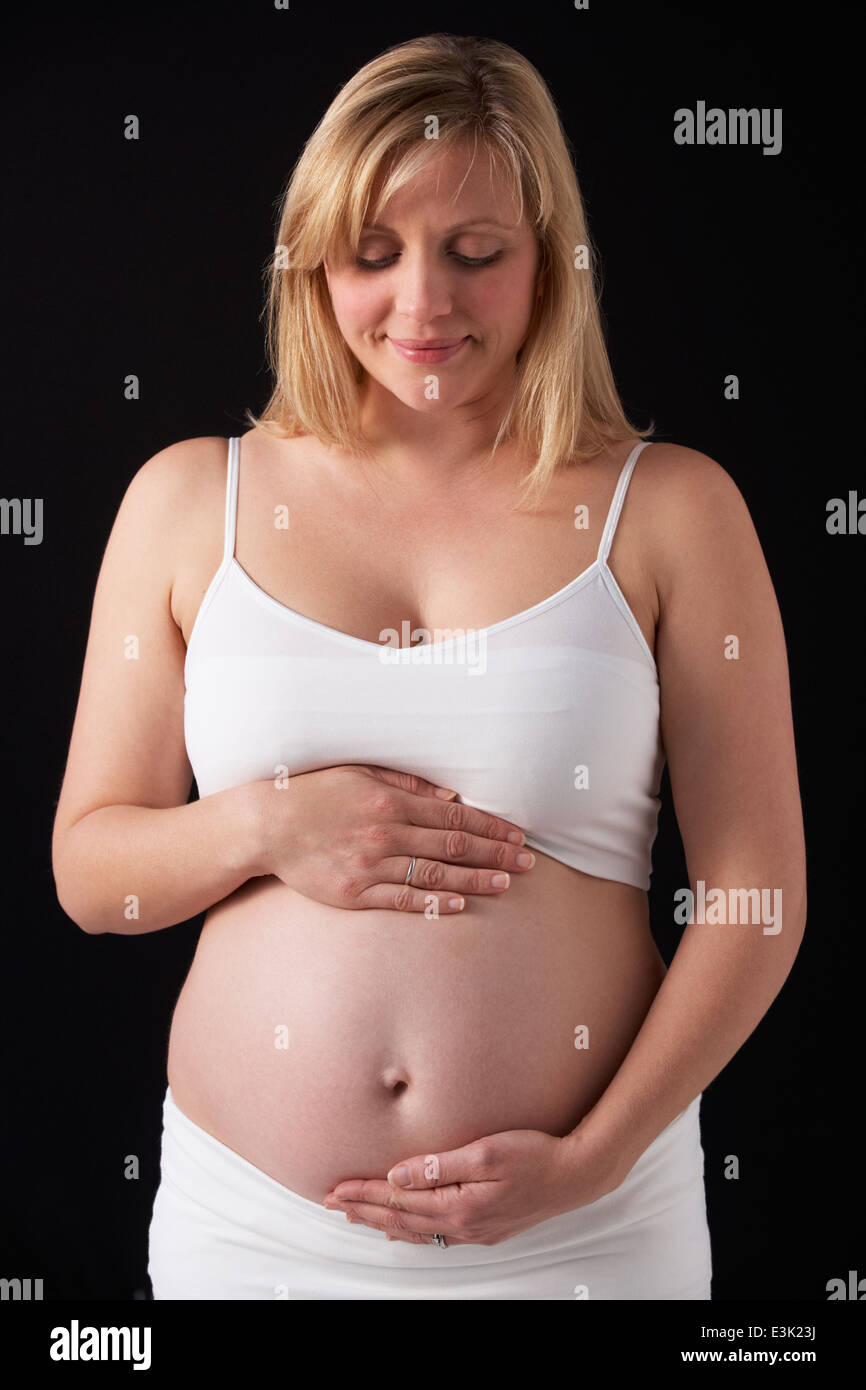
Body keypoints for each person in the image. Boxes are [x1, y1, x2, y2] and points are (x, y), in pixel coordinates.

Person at [51, 33, 806, 1300]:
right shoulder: (190, 502)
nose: (422, 307)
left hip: (585, 1231)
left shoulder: (671, 510)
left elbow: (753, 892)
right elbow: (90, 876)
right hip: (252, 1233)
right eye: (373, 254)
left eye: (475, 254)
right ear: (312, 261)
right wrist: (267, 825)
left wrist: (591, 1157)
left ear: (549, 258)